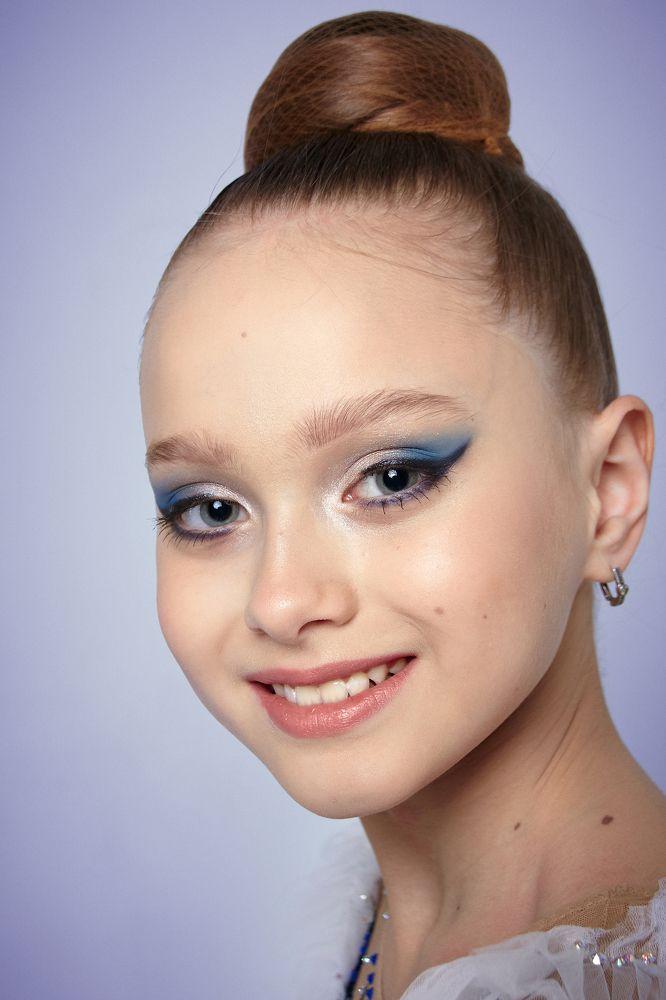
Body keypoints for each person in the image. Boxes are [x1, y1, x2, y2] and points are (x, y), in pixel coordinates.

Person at [139, 11, 666, 998]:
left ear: (608, 493)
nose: (280, 600)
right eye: (210, 509)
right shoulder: (352, 924)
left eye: (389, 477)